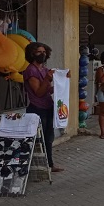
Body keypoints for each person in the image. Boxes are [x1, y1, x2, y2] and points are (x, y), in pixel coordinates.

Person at [23, 42, 67, 172]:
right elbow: (39, 92)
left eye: (44, 52)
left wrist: (63, 82)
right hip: (37, 109)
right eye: (39, 52)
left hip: (48, 107)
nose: (42, 54)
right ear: (32, 54)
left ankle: (50, 164)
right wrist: (47, 80)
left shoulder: (45, 70)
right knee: (40, 139)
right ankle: (40, 165)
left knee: (48, 138)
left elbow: (48, 90)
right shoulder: (31, 70)